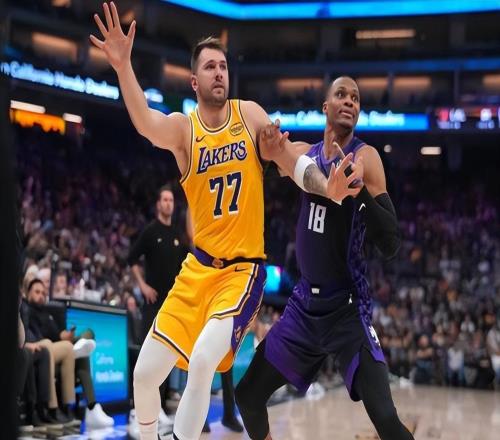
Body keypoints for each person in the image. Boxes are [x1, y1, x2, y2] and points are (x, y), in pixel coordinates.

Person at [90, 4, 361, 439]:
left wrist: (326, 187)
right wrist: (123, 67)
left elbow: (290, 160)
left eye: (223, 66)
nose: (219, 73)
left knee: (202, 362)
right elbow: (145, 123)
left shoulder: (247, 114)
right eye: (210, 67)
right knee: (143, 374)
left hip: (241, 273)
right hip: (196, 271)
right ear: (195, 82)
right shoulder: (185, 130)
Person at [235, 76, 414, 440]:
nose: (349, 101)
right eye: (341, 95)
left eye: (356, 98)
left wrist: (360, 193)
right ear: (325, 107)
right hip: (303, 308)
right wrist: (267, 147)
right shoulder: (303, 153)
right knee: (248, 397)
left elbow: (391, 243)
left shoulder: (366, 158)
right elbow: (264, 156)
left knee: (386, 420)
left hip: (346, 309)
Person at [128, 185, 187, 429]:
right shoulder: (151, 232)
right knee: (147, 357)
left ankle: (159, 407)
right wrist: (142, 286)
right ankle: (136, 409)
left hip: (171, 307)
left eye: (171, 200)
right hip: (152, 304)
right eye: (164, 199)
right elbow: (131, 258)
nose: (168, 203)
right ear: (158, 204)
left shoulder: (178, 235)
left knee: (165, 359)